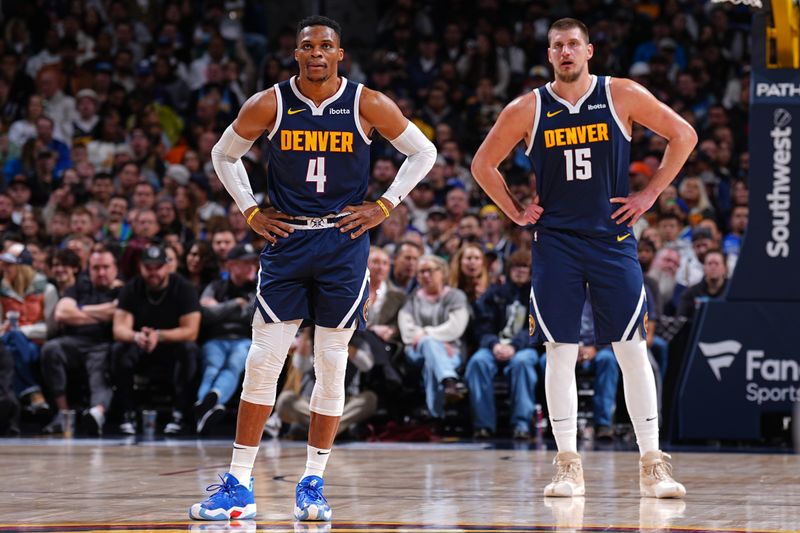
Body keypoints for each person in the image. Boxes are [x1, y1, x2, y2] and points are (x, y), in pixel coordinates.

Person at [191, 16, 435, 522]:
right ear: (296, 53)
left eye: (326, 45)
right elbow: (223, 155)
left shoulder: (366, 102)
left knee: (332, 361)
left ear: (340, 54)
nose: (317, 53)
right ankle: (238, 485)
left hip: (343, 242)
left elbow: (423, 152)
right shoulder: (270, 103)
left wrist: (386, 205)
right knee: (263, 360)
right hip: (288, 240)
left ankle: (313, 483)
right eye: (308, 46)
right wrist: (250, 210)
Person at [471, 18, 696, 498]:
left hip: (611, 240)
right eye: (558, 46)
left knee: (632, 350)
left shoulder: (621, 94)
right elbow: (481, 164)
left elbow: (684, 135)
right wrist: (514, 210)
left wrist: (650, 194)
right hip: (555, 243)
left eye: (574, 44)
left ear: (589, 50)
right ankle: (568, 464)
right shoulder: (528, 107)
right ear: (549, 55)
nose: (566, 52)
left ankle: (653, 462)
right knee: (560, 352)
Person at [111, 245, 201, 435]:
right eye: (148, 267)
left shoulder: (183, 288)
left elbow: (191, 331)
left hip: (170, 346)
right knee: (118, 350)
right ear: (141, 267)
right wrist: (137, 336)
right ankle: (127, 414)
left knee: (189, 349)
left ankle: (179, 415)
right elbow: (119, 329)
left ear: (167, 266)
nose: (153, 272)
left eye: (157, 267)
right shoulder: (132, 288)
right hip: (141, 345)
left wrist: (158, 335)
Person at [40, 248, 119, 435]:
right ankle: (64, 413)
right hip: (73, 341)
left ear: (115, 268)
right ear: (88, 269)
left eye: (106, 267)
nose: (101, 272)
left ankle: (96, 414)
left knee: (100, 366)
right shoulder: (79, 287)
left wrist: (80, 310)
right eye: (96, 268)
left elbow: (118, 312)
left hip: (103, 343)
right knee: (51, 349)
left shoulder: (123, 290)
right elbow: (62, 313)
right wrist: (103, 314)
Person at [464, 250, 540, 439]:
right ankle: (483, 425)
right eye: (516, 267)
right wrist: (494, 345)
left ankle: (521, 424)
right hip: (494, 346)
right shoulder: (494, 293)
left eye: (525, 267)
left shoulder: (538, 294)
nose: (520, 271)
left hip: (525, 347)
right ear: (508, 270)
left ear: (531, 271)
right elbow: (482, 327)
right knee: (477, 362)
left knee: (522, 363)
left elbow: (535, 328)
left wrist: (514, 346)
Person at [195, 243, 259, 434]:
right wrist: (235, 304)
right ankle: (210, 406)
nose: (251, 267)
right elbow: (205, 313)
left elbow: (253, 316)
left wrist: (221, 308)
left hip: (243, 340)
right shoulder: (215, 286)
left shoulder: (258, 288)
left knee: (234, 363)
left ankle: (208, 402)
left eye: (253, 263)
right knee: (212, 366)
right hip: (216, 338)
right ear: (231, 265)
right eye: (245, 263)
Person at [398, 255, 469, 420]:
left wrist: (426, 334)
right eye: (421, 272)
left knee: (432, 361)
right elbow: (407, 331)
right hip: (417, 351)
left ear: (442, 272)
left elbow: (456, 327)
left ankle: (435, 416)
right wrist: (430, 339)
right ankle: (450, 381)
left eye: (429, 270)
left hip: (450, 352)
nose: (425, 275)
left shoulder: (456, 296)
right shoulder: (412, 299)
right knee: (429, 344)